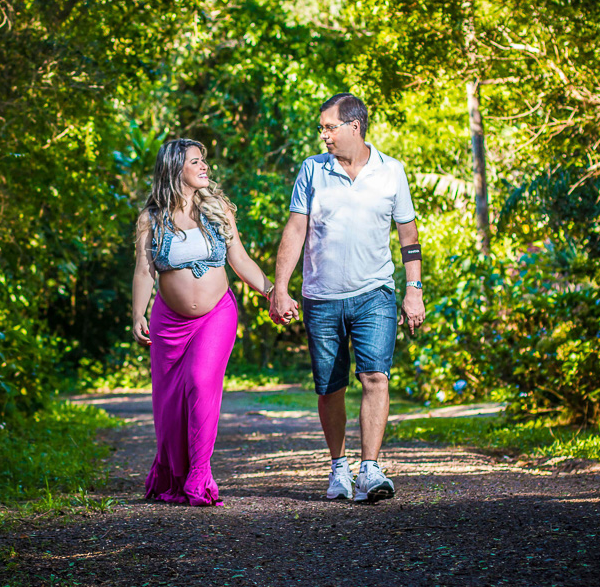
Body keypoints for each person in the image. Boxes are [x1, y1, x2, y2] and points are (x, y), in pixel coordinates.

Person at [270, 93, 426, 503]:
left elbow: (408, 237)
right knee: (330, 387)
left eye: (329, 127)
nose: (323, 135)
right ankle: (339, 466)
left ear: (354, 127)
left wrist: (414, 290)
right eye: (322, 128)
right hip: (321, 297)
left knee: (375, 377)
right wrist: (280, 288)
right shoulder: (313, 170)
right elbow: (296, 229)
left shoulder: (392, 171)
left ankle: (370, 469)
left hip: (375, 292)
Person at [131, 138, 275, 506]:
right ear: (174, 168)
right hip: (168, 323)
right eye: (195, 161)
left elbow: (240, 260)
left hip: (216, 315)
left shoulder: (217, 209)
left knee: (200, 381)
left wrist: (272, 292)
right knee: (168, 405)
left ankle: (199, 474)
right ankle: (173, 477)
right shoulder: (151, 218)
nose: (204, 166)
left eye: (203, 160)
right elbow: (145, 271)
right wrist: (138, 313)